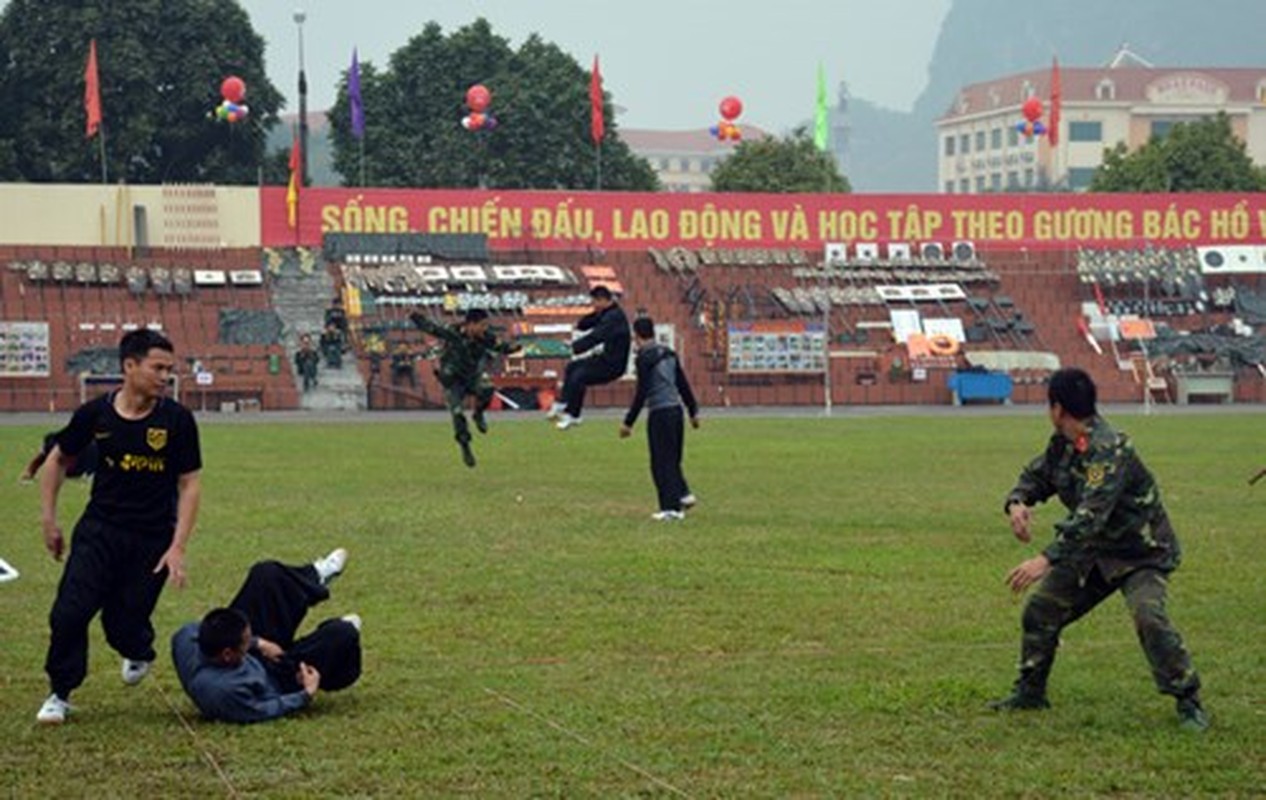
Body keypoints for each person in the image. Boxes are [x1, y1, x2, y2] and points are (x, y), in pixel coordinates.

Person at [991, 367, 1208, 731]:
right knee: (1042, 611)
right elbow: (1038, 476)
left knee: (1148, 617)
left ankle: (1188, 700)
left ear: (1057, 408)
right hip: (1094, 552)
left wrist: (1044, 559)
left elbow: (1090, 516)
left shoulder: (1109, 449)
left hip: (1140, 553)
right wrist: (1017, 502)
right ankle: (1030, 692)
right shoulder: (1063, 442)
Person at [37, 328, 202, 725]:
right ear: (130, 366)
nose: (166, 377)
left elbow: (189, 483)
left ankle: (139, 650)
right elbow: (57, 460)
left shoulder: (177, 420)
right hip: (100, 531)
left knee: (122, 625)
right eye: (158, 368)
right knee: (69, 614)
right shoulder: (94, 415)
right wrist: (49, 519)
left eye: (170, 369)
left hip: (151, 538)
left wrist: (177, 546)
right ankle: (59, 692)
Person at [171, 548, 361, 724]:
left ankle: (316, 575)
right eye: (245, 641)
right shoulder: (225, 690)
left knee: (265, 574)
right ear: (227, 654)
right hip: (276, 678)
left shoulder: (186, 637)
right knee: (343, 634)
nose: (250, 640)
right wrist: (306, 694)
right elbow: (264, 709)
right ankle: (334, 633)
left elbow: (206, 631)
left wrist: (257, 642)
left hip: (253, 656)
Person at [410, 308, 520, 468]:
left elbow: (501, 347)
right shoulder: (453, 332)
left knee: (488, 389)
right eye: (482, 325)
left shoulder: (486, 338)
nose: (484, 328)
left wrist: (514, 348)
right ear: (470, 324)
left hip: (472, 378)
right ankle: (465, 446)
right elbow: (431, 328)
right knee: (458, 414)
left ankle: (478, 413)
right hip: (453, 380)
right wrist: (415, 316)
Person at [619, 317, 700, 521]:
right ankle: (683, 495)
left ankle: (669, 508)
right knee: (673, 458)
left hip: (659, 412)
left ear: (636, 335)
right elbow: (682, 383)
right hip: (676, 411)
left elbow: (642, 392)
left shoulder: (644, 357)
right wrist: (693, 411)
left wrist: (629, 422)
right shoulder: (670, 353)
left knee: (659, 462)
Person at [549, 286, 630, 430]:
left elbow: (596, 336)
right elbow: (591, 320)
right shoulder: (607, 312)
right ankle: (563, 403)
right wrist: (579, 325)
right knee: (572, 367)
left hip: (614, 366)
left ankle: (573, 415)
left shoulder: (614, 317)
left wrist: (574, 347)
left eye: (594, 302)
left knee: (579, 377)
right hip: (605, 359)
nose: (593, 305)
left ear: (603, 300)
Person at [20, 427, 98, 482]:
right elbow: (38, 460)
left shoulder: (89, 445)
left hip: (78, 469)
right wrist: (30, 472)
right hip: (66, 470)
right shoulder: (53, 444)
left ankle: (89, 474)